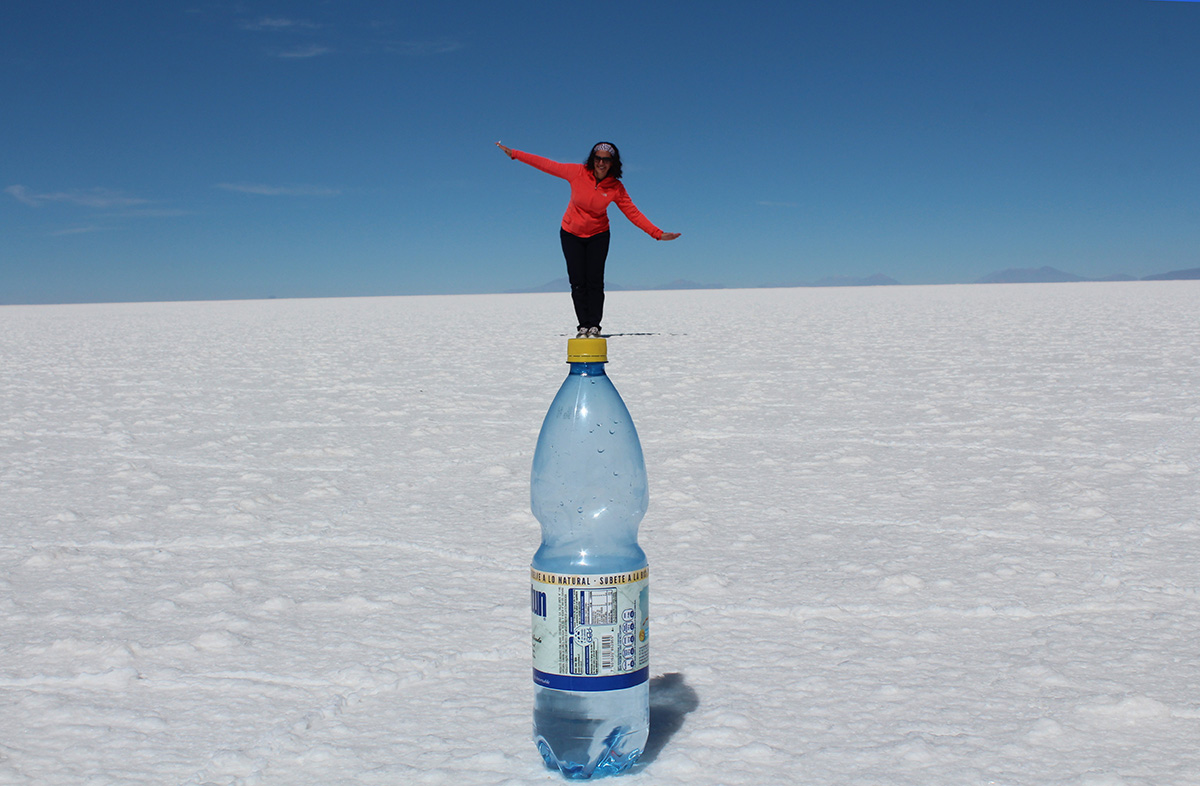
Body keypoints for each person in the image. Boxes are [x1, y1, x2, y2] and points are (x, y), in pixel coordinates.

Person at [496, 141, 680, 337]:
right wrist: (515, 154)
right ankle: (583, 325)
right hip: (570, 234)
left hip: (598, 236)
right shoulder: (577, 172)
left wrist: (657, 234)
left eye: (606, 160)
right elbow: (547, 165)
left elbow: (633, 213)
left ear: (612, 163)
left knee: (595, 281)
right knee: (577, 281)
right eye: (598, 158)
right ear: (592, 159)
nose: (601, 163)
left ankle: (594, 326)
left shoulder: (616, 187)